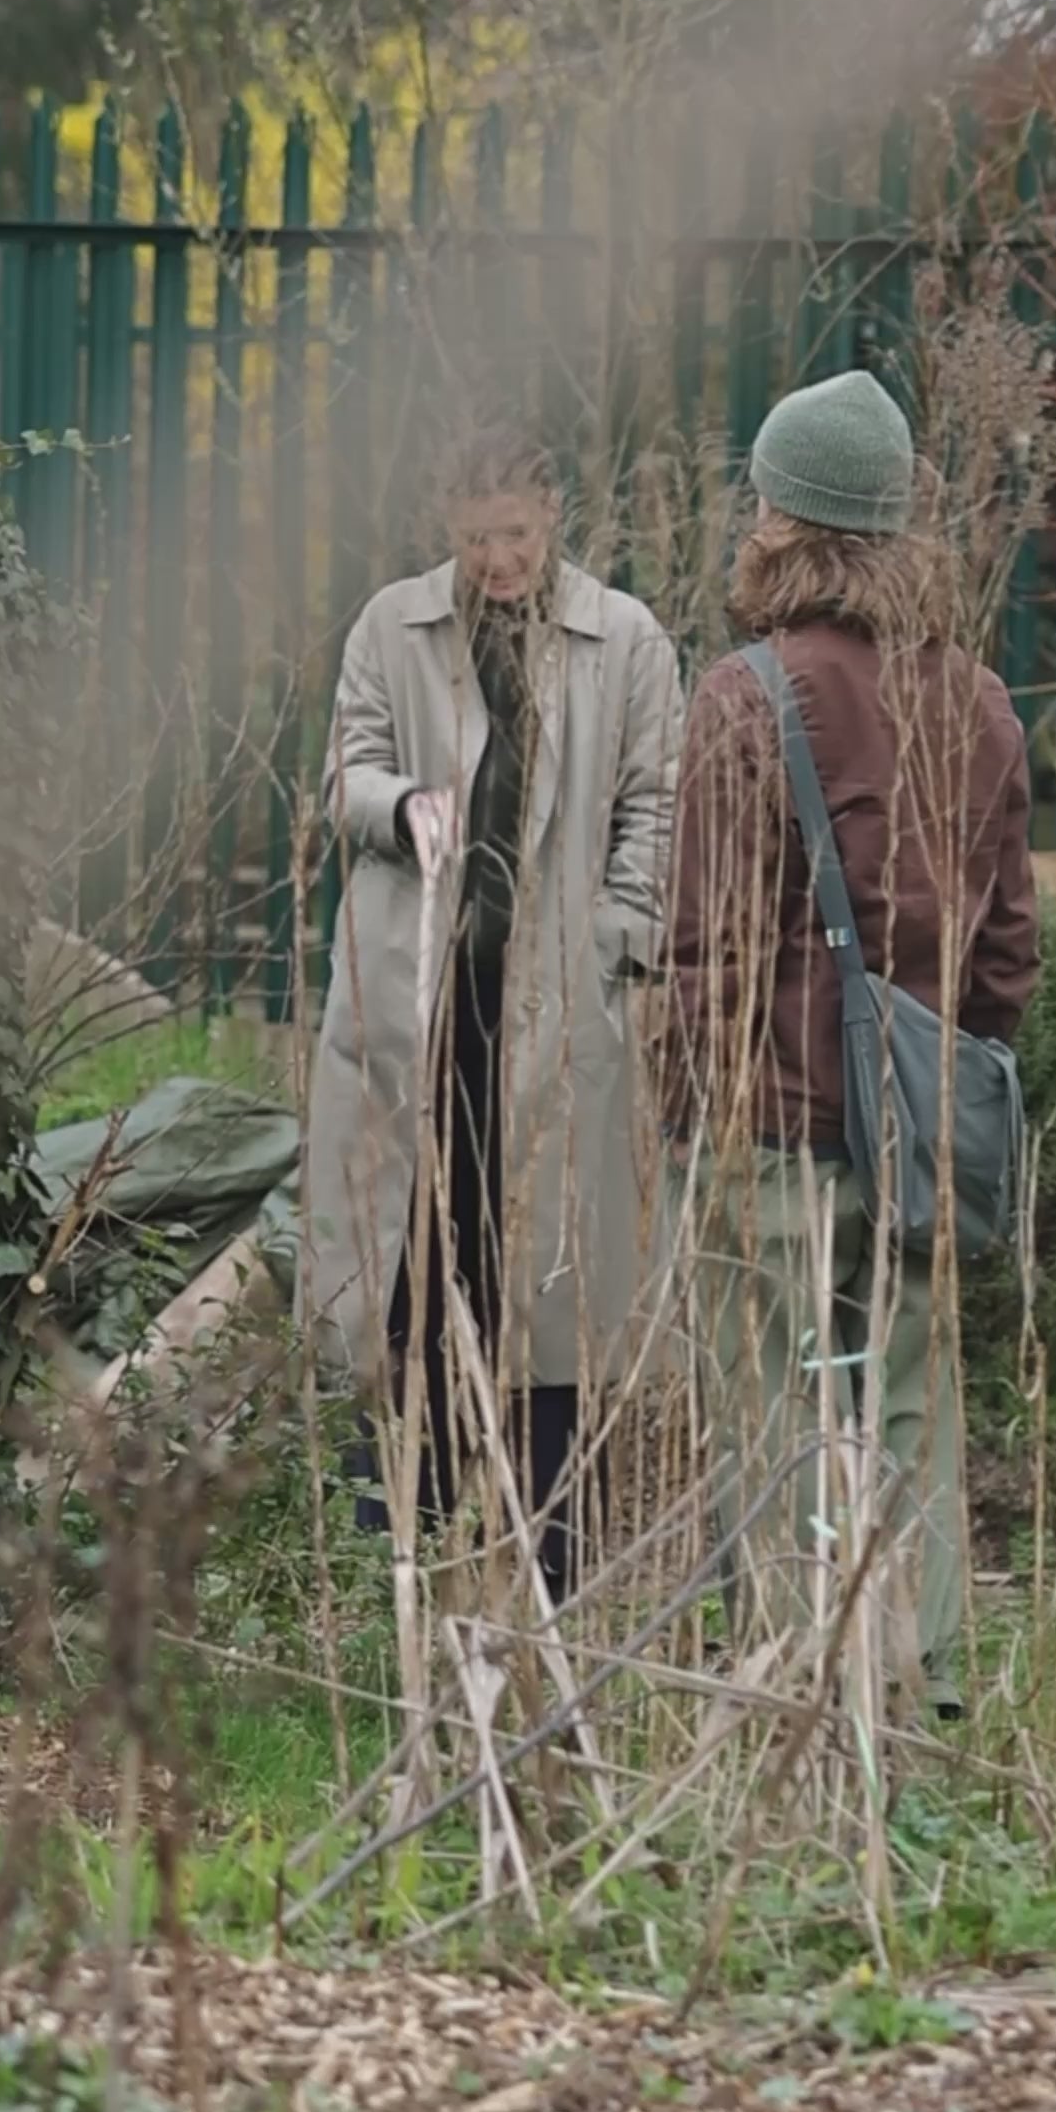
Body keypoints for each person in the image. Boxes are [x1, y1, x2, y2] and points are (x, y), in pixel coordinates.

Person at [667, 369, 1039, 1684]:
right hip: (919, 1126)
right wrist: (943, 1076)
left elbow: (704, 945)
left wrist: (693, 1111)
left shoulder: (745, 695)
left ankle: (802, 1673)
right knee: (911, 1405)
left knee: (776, 1405)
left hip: (771, 1120)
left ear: (782, 517)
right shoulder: (980, 701)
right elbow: (1008, 949)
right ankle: (919, 1669)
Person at [304, 430, 682, 1601]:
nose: (499, 558)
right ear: (445, 525)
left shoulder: (626, 640)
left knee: (548, 1278)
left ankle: (549, 1553)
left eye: (516, 533)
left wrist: (618, 941)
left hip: (561, 1012)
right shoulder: (393, 626)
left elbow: (656, 806)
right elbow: (343, 771)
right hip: (414, 1008)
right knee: (407, 1265)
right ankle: (393, 1549)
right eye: (476, 539)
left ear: (553, 514)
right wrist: (398, 805)